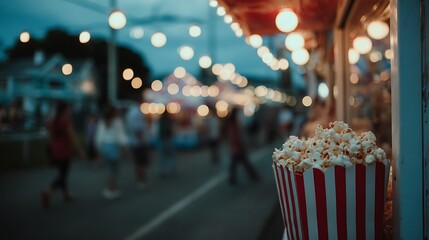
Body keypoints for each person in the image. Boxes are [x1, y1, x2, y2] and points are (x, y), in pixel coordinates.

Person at [42, 101, 84, 209]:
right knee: (63, 175)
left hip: (55, 150)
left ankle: (66, 194)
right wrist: (80, 150)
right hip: (64, 151)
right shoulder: (65, 120)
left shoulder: (52, 121)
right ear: (65, 109)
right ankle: (49, 190)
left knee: (62, 173)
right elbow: (72, 137)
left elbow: (49, 136)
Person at [95, 105, 128, 199]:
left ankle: (109, 189)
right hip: (113, 147)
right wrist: (125, 148)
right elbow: (120, 136)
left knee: (109, 169)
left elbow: (98, 137)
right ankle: (112, 189)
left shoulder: (102, 121)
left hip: (105, 146)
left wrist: (99, 150)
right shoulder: (117, 121)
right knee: (114, 170)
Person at [227, 107, 259, 185]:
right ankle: (253, 176)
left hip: (237, 147)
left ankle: (233, 178)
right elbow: (235, 136)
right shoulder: (234, 123)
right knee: (242, 163)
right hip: (238, 147)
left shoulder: (234, 122)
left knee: (239, 163)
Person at [125, 104, 150, 189]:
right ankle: (141, 179)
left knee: (137, 161)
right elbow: (138, 129)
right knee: (141, 162)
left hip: (134, 141)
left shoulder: (129, 113)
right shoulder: (136, 113)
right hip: (139, 142)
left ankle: (139, 179)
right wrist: (142, 140)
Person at [157, 111, 176, 177]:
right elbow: (170, 130)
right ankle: (171, 171)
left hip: (161, 139)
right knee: (170, 156)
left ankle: (161, 171)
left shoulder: (160, 120)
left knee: (162, 157)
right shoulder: (168, 120)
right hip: (168, 139)